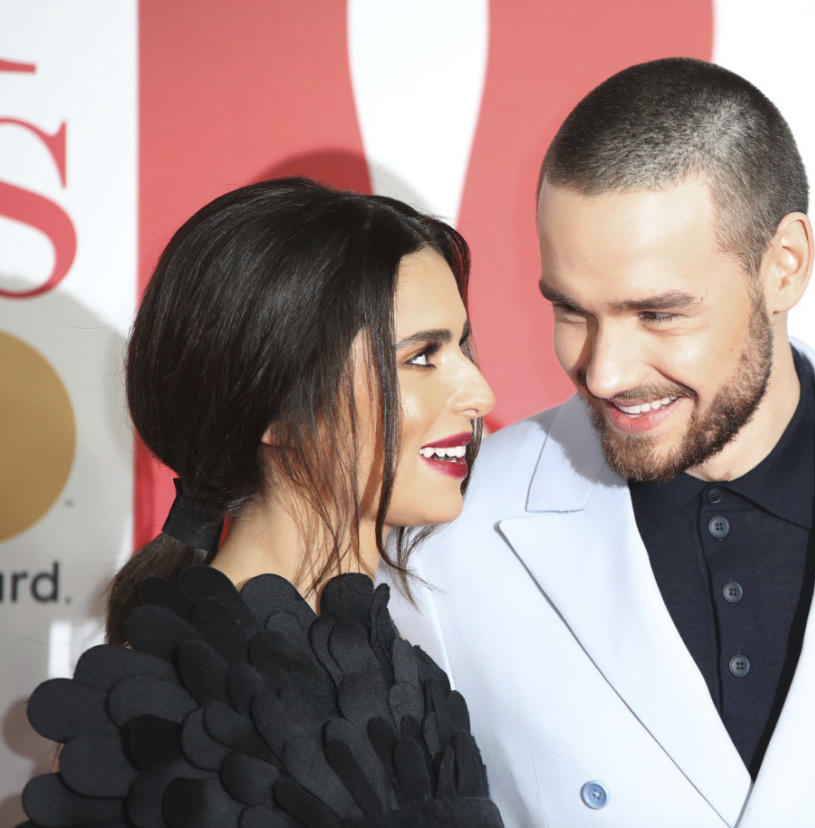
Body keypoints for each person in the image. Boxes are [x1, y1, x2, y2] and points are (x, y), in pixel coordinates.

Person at [383, 58, 815, 826]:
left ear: (783, 267)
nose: (605, 370)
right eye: (572, 310)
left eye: (657, 314)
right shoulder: (450, 531)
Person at [20, 178, 504, 827]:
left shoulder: (411, 677)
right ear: (276, 406)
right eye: (422, 357)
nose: (480, 393)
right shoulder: (159, 722)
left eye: (462, 347)